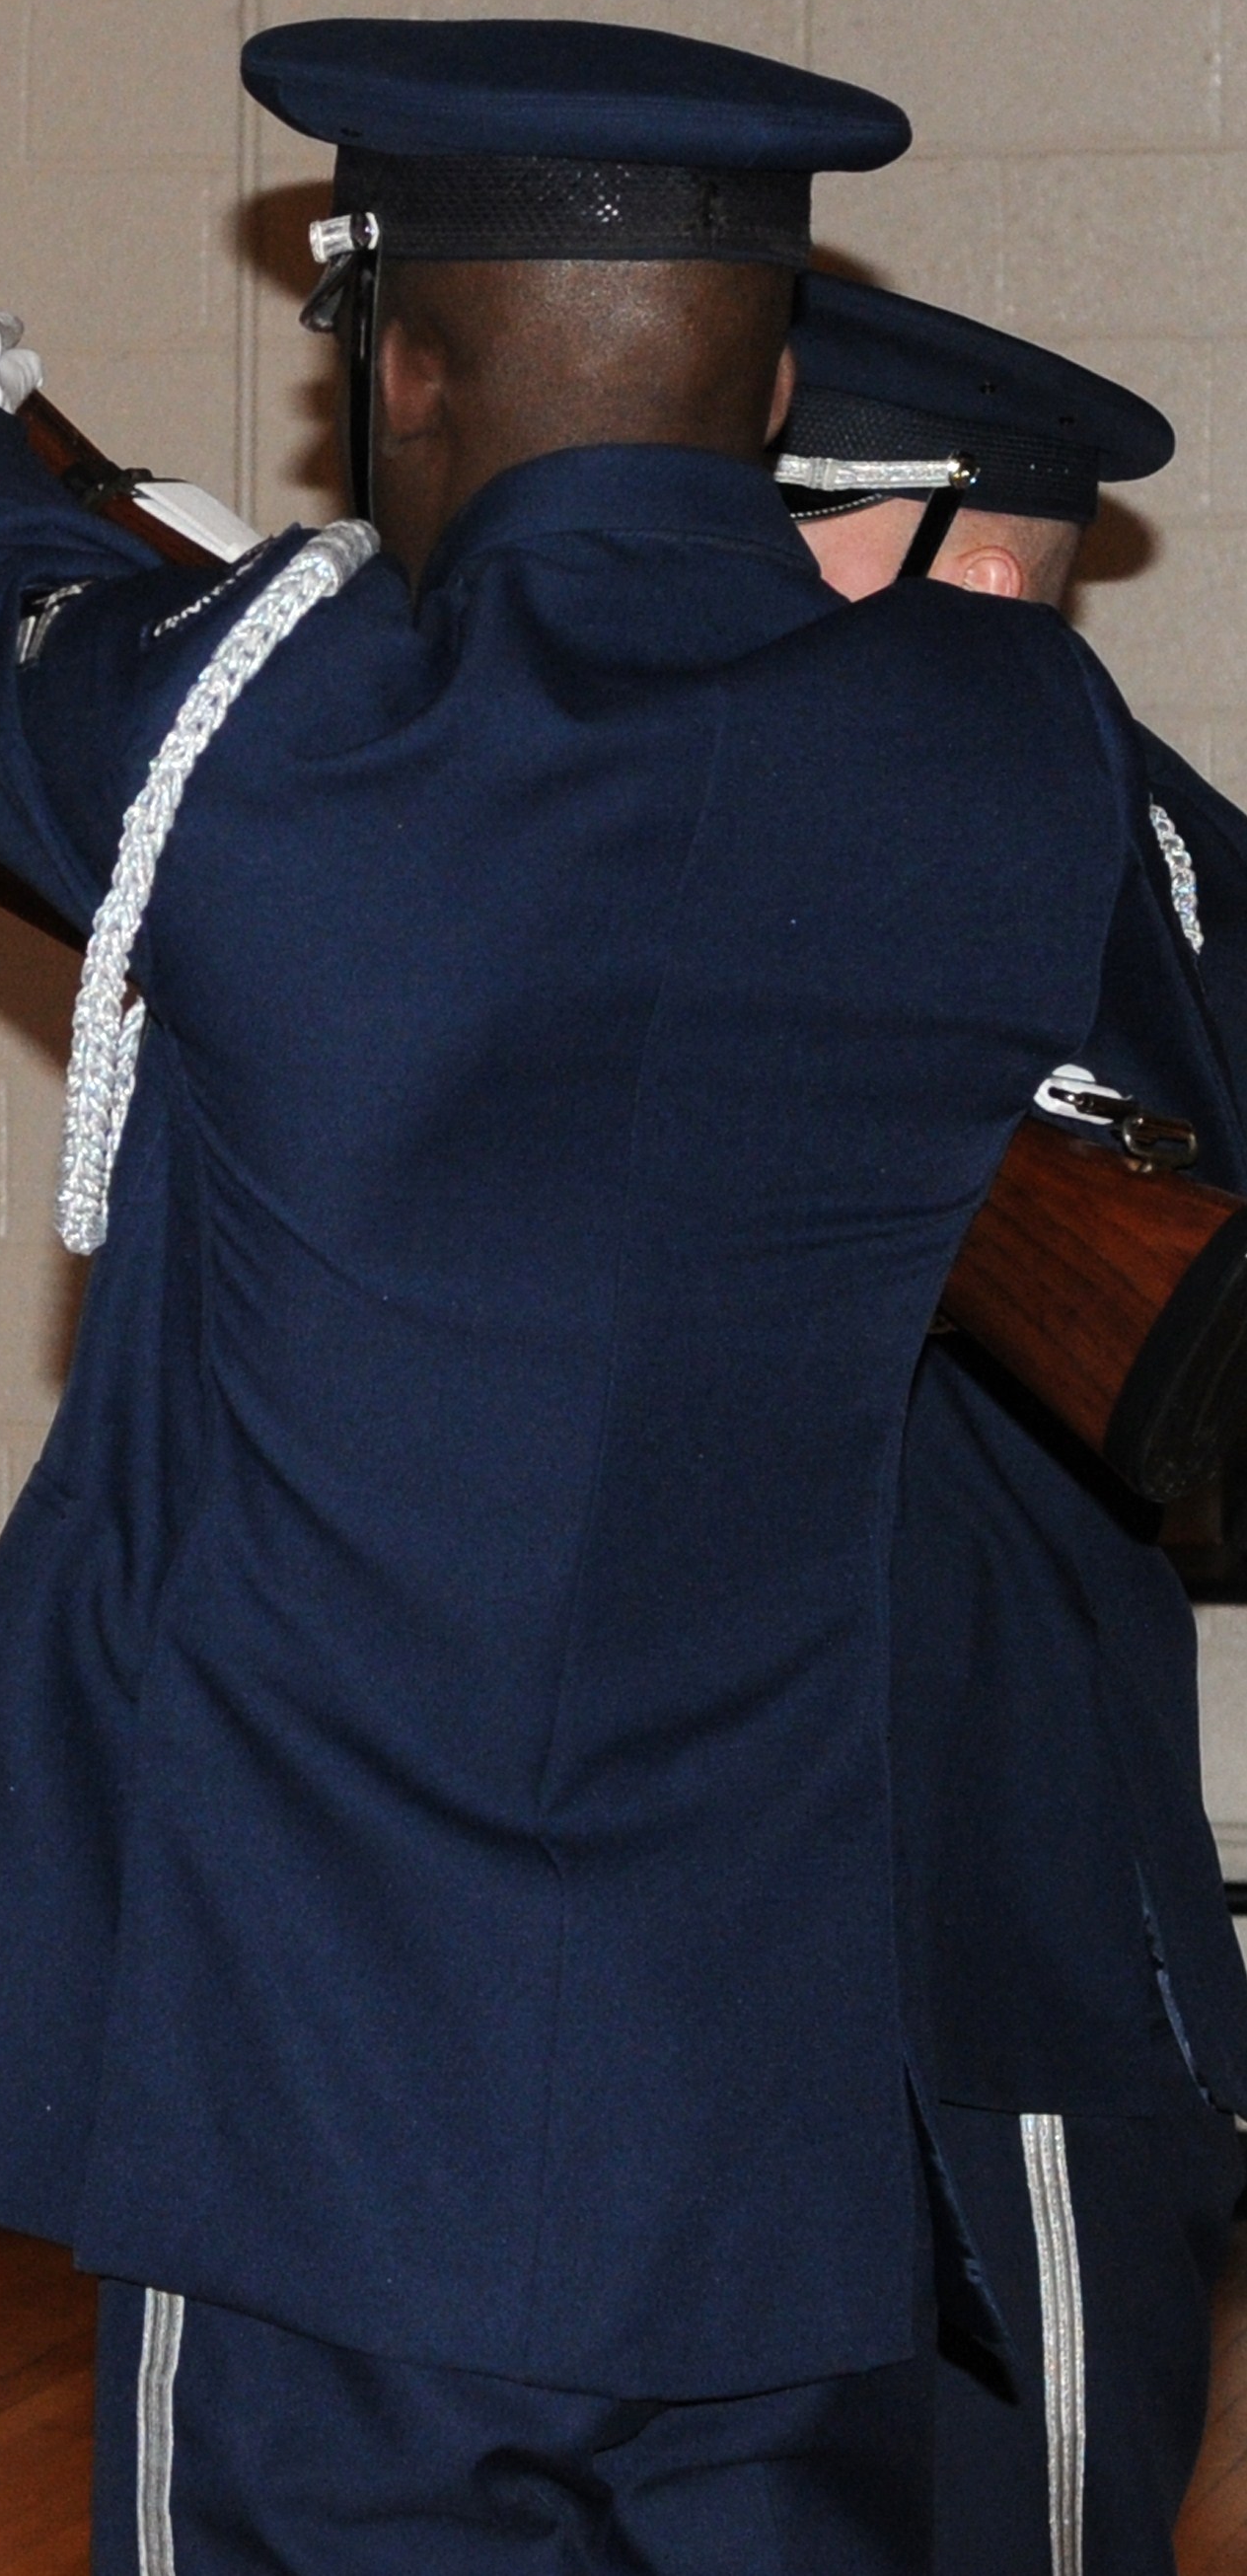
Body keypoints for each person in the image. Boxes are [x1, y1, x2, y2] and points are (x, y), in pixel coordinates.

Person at [0, 18, 1162, 2573]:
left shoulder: (291, 724)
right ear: (764, 372)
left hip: (316, 2101)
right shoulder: (999, 746)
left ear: (397, 357)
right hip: (762, 2103)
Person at [772, 272, 1247, 2576]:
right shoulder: (1128, 819)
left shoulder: (996, 816)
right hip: (857, 1823)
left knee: (1027, 2479)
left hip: (979, 1834)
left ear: (940, 549)